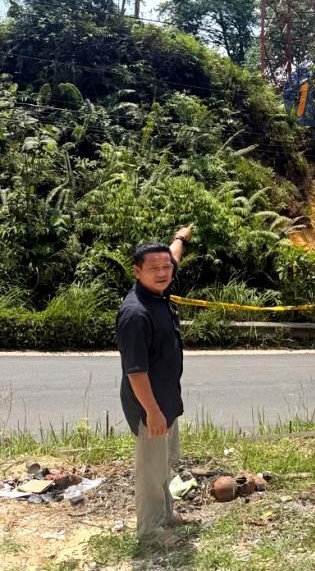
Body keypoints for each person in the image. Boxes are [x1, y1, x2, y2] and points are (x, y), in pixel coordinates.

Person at [116, 224, 193, 547]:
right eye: (154, 268)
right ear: (137, 272)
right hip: (150, 405)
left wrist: (180, 238)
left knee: (163, 464)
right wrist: (152, 411)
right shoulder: (136, 313)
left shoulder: (158, 292)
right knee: (150, 470)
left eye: (166, 267)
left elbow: (172, 257)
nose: (163, 272)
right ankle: (150, 531)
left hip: (166, 400)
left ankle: (165, 515)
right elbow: (135, 371)